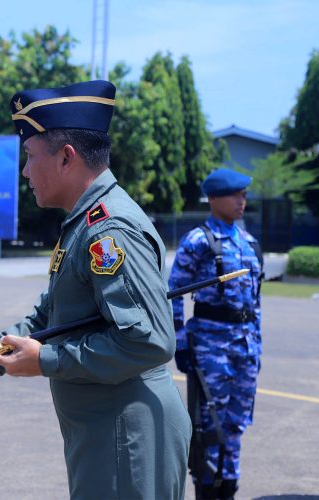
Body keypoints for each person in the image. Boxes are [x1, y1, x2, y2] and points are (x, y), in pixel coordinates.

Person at [0, 81, 191, 499]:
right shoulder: (83, 223)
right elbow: (48, 320)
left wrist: (46, 361)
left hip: (127, 436)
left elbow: (150, 342)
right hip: (106, 432)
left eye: (31, 157)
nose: (25, 171)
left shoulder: (109, 228)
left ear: (66, 157)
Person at [169, 168, 263, 500]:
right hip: (211, 351)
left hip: (244, 351)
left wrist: (257, 348)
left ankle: (229, 488)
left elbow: (255, 304)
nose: (242, 200)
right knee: (209, 429)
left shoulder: (249, 243)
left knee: (236, 426)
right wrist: (180, 344)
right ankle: (208, 491)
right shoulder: (199, 241)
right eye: (235, 194)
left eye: (244, 195)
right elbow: (174, 294)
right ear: (213, 199)